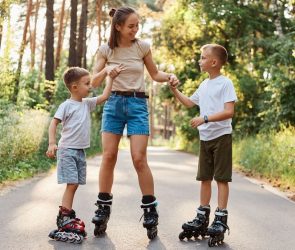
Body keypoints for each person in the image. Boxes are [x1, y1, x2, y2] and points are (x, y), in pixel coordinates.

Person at [90, 6, 179, 239]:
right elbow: (92, 81)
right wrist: (107, 70)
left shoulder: (142, 47)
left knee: (139, 159)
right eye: (131, 26)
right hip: (113, 105)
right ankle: (103, 207)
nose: (135, 29)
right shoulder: (105, 49)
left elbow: (155, 74)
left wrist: (169, 76)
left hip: (138, 105)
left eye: (137, 25)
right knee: (109, 156)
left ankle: (150, 210)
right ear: (118, 26)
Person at [170, 44, 237, 246]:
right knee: (204, 178)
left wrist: (205, 118)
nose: (200, 60)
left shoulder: (225, 84)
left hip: (221, 136)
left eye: (202, 57)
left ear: (214, 62)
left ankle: (220, 218)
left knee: (222, 179)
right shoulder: (204, 85)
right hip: (205, 138)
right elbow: (190, 103)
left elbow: (229, 112)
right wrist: (174, 89)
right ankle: (202, 216)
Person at [46, 67, 113, 243]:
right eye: (87, 83)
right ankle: (65, 216)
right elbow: (53, 124)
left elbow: (105, 96)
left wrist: (110, 77)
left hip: (80, 151)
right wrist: (52, 143)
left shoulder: (86, 103)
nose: (90, 86)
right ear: (74, 87)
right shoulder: (66, 105)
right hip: (67, 150)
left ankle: (66, 215)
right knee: (72, 183)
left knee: (75, 184)